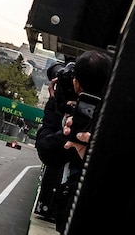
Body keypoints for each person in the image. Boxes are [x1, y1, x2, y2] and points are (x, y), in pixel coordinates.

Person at [35, 49, 113, 232]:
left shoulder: (80, 128)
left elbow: (47, 150)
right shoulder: (117, 117)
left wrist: (55, 104)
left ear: (76, 84)